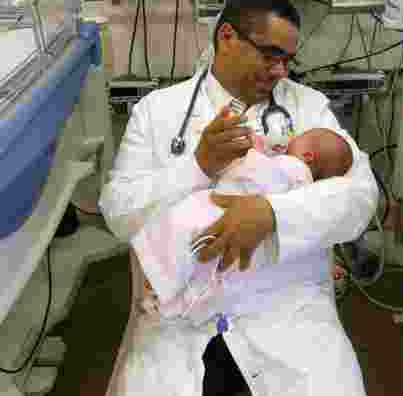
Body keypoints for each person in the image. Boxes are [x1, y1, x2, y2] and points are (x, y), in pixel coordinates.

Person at [97, 0, 380, 396]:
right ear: (226, 37)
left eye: (288, 59)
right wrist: (196, 167)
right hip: (181, 319)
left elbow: (359, 197)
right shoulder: (159, 112)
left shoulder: (308, 109)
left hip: (287, 311)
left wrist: (272, 216)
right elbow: (119, 212)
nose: (281, 71)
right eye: (271, 55)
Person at [133, 127, 354, 322]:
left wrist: (254, 152)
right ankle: (169, 298)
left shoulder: (295, 167)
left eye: (299, 138)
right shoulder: (303, 182)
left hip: (223, 210)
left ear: (308, 155)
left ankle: (160, 282)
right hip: (242, 228)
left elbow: (268, 178)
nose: (291, 139)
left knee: (183, 228)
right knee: (204, 267)